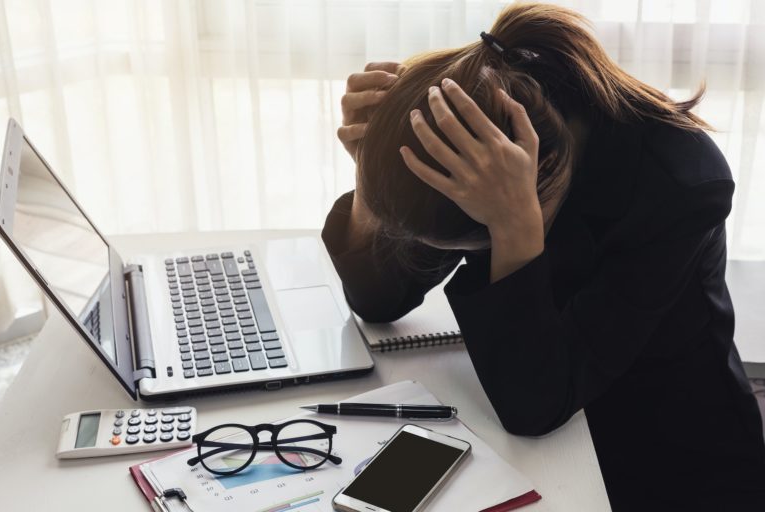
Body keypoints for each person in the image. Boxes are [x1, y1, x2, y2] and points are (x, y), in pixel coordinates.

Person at [322, 3, 765, 510]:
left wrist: (513, 225)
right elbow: (378, 301)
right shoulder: (493, 114)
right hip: (553, 422)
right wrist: (372, 173)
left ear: (539, 171)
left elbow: (535, 407)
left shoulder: (680, 184)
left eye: (476, 242)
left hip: (674, 455)